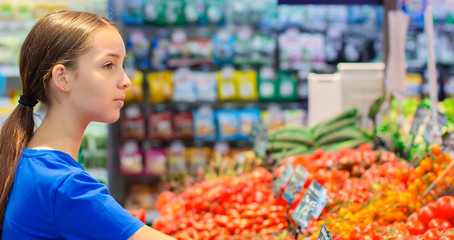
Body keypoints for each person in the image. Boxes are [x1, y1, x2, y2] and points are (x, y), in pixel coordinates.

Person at [0, 10, 175, 240]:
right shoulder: (65, 187)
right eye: (108, 65)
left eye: (122, 65)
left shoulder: (25, 161)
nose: (126, 81)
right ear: (62, 78)